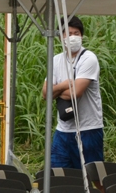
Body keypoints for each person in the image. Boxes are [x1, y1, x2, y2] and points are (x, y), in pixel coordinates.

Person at [43, 16, 104, 168]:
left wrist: (56, 91)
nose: (73, 37)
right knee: (58, 174)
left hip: (88, 129)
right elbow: (45, 94)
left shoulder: (89, 59)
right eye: (69, 33)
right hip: (62, 131)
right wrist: (64, 85)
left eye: (77, 33)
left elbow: (76, 92)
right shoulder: (56, 60)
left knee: (94, 176)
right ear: (60, 37)